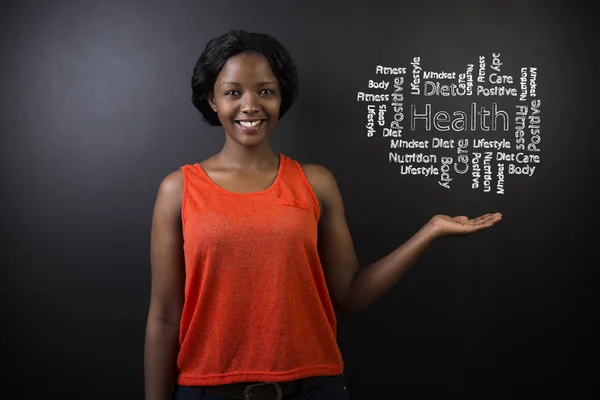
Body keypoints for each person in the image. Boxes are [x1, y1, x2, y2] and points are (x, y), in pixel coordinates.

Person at [144, 30, 502, 400]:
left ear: (281, 98)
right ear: (212, 100)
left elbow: (350, 294)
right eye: (233, 92)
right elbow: (164, 317)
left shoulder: (315, 183)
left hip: (315, 390)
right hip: (207, 392)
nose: (250, 105)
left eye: (265, 91)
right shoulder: (179, 190)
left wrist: (430, 231)